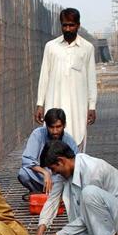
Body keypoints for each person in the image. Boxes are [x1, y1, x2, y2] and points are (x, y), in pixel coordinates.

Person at [35, 8, 97, 152]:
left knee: (77, 141)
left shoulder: (87, 48)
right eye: (65, 25)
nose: (68, 29)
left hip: (78, 106)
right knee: (52, 142)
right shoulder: (51, 47)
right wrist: (40, 104)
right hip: (54, 101)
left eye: (71, 25)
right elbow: (44, 76)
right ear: (61, 25)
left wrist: (92, 106)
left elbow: (91, 79)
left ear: (78, 25)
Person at [17, 108, 78, 195]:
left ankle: (60, 193)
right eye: (51, 127)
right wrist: (45, 173)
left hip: (61, 177)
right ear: (46, 125)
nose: (55, 131)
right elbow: (27, 160)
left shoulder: (69, 140)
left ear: (64, 125)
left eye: (58, 127)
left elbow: (76, 164)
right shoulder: (38, 134)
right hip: (43, 176)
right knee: (23, 174)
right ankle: (39, 192)